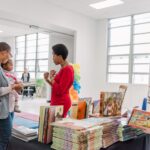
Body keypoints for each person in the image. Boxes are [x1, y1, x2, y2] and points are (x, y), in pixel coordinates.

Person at [0, 42, 23, 150]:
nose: (9, 57)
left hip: (7, 107)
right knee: (5, 136)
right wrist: (12, 87)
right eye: (9, 54)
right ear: (4, 52)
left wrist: (16, 87)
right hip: (2, 110)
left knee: (5, 136)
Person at [44, 44, 74, 117]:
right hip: (57, 101)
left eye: (54, 55)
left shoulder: (67, 70)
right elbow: (55, 86)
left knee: (56, 127)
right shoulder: (63, 68)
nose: (52, 58)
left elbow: (60, 90)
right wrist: (47, 79)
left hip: (61, 102)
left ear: (60, 56)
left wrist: (52, 78)